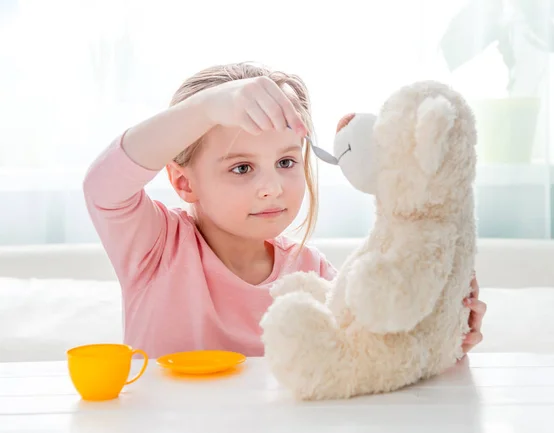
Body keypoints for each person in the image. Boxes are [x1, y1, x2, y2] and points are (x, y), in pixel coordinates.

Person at [83, 62, 486, 359]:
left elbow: (371, 362)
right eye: (242, 168)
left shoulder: (314, 273)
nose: (272, 188)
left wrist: (442, 334)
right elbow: (103, 185)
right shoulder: (156, 249)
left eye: (287, 163)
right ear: (184, 182)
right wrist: (206, 109)